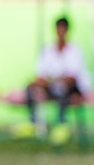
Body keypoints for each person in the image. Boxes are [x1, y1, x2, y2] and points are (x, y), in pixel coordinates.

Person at [25, 15, 90, 143]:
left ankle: (61, 124)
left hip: (71, 89)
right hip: (52, 87)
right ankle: (31, 123)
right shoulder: (47, 50)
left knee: (61, 88)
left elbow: (72, 78)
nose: (60, 32)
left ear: (67, 30)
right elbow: (41, 74)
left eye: (63, 29)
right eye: (58, 29)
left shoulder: (74, 50)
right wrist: (42, 82)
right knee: (30, 88)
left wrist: (53, 81)